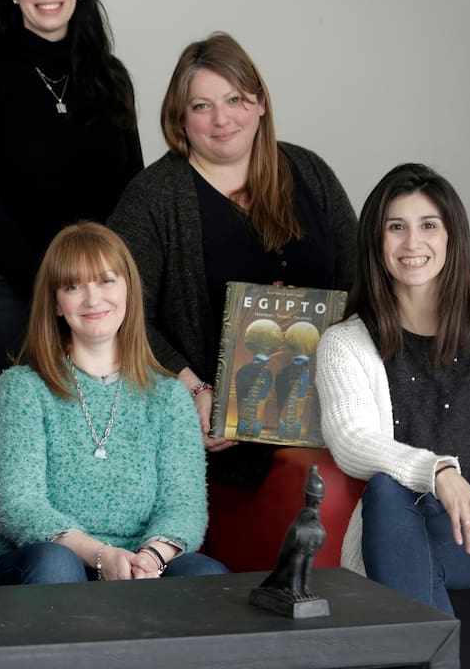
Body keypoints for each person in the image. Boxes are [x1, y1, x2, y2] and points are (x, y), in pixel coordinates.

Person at [108, 31, 357, 484]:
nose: (222, 119)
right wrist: (193, 389)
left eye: (235, 100)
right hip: (209, 439)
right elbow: (120, 314)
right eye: (202, 106)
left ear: (260, 103)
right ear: (180, 117)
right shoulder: (154, 197)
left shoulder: (311, 173)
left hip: (322, 420)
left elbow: (361, 282)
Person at [316, 163, 470, 613]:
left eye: (429, 225)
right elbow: (351, 439)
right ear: (376, 241)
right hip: (414, 516)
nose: (413, 243)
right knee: (387, 493)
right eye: (396, 227)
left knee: (401, 552)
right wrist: (440, 473)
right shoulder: (345, 343)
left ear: (451, 237)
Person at [0, 0, 143, 396]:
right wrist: (56, 284)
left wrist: (90, 288)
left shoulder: (111, 78)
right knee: (3, 449)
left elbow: (132, 194)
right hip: (3, 298)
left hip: (94, 300)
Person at [0, 222, 227, 585]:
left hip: (138, 561)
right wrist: (100, 556)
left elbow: (184, 507)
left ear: (129, 289)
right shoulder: (22, 389)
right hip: (41, 562)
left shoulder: (169, 396)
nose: (93, 300)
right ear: (56, 305)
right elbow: (19, 507)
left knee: (207, 576)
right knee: (56, 564)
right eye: (73, 286)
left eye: (106, 281)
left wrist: (151, 558)